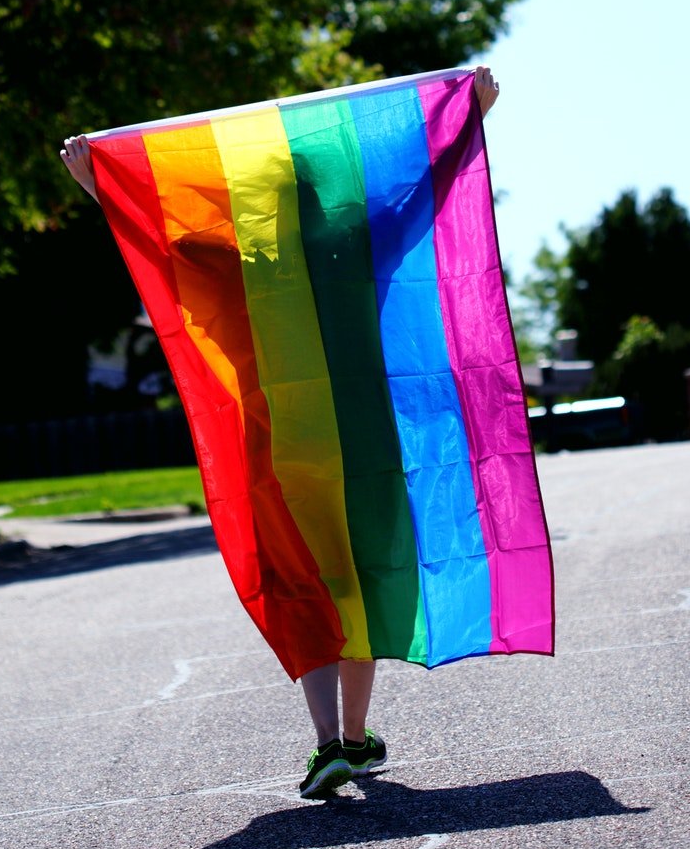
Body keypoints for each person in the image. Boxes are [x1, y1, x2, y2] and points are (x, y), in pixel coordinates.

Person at [60, 63, 501, 799]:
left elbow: (159, 245)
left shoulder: (241, 261)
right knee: (360, 583)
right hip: (362, 449)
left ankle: (328, 741)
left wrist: (98, 183)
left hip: (278, 455)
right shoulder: (361, 239)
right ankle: (353, 740)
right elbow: (423, 195)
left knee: (306, 586)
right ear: (330, 195)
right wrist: (469, 117)